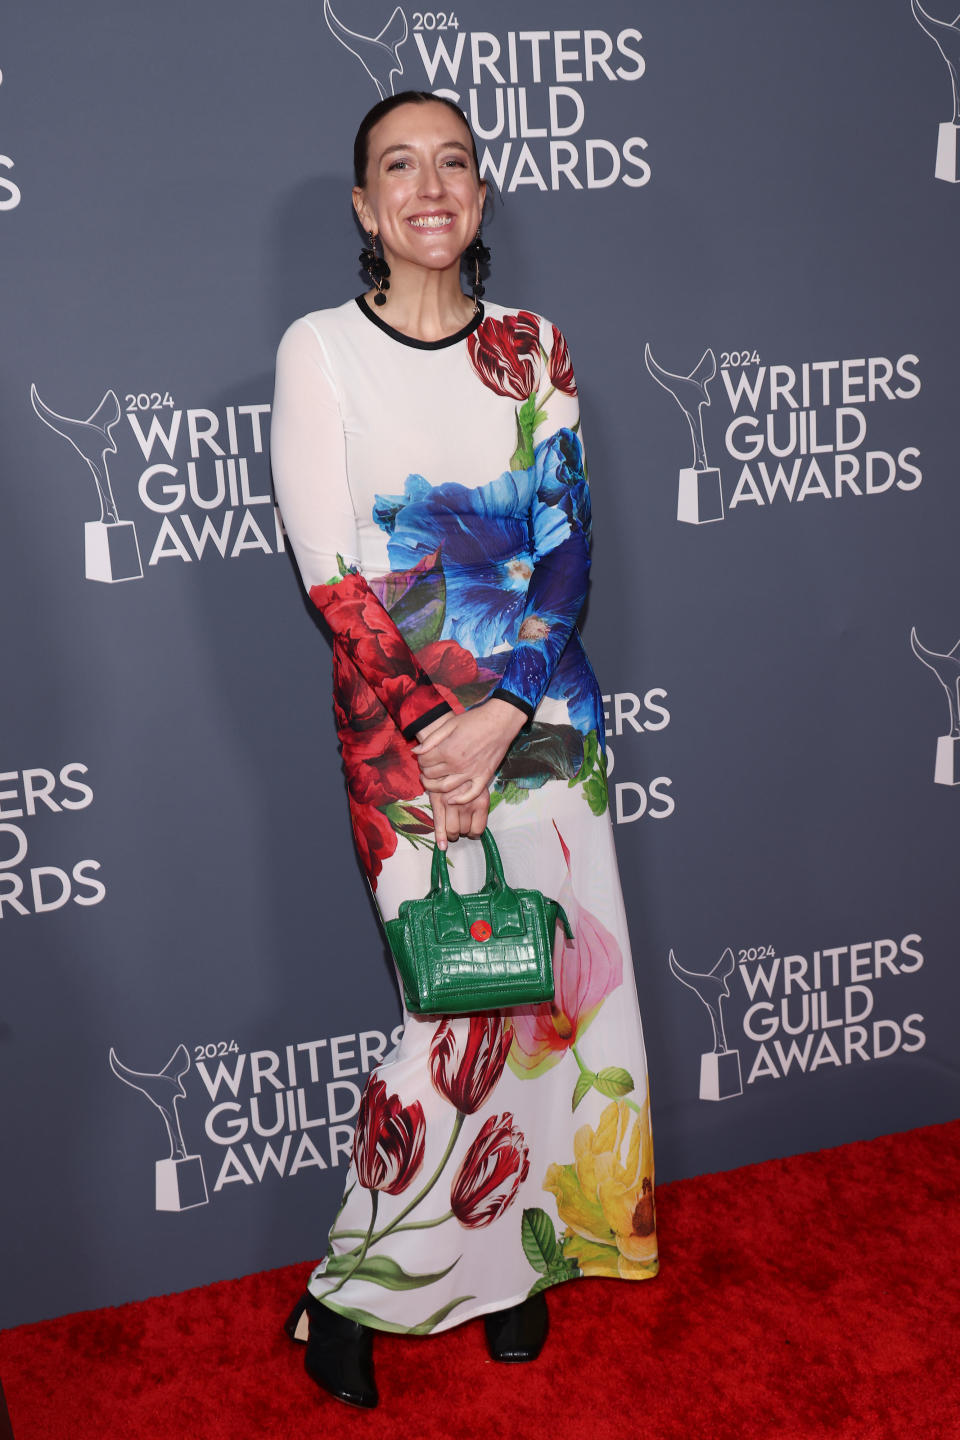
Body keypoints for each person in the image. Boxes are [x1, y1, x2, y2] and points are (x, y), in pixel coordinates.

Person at [270, 90, 657, 1410]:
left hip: (547, 727)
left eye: (454, 165)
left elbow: (568, 549)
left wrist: (501, 714)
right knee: (457, 1021)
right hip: (404, 743)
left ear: (479, 201)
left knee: (548, 1018)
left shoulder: (536, 348)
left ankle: (512, 1265)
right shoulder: (319, 351)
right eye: (399, 167)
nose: (429, 187)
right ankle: (345, 1287)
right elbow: (330, 567)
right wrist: (442, 730)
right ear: (370, 209)